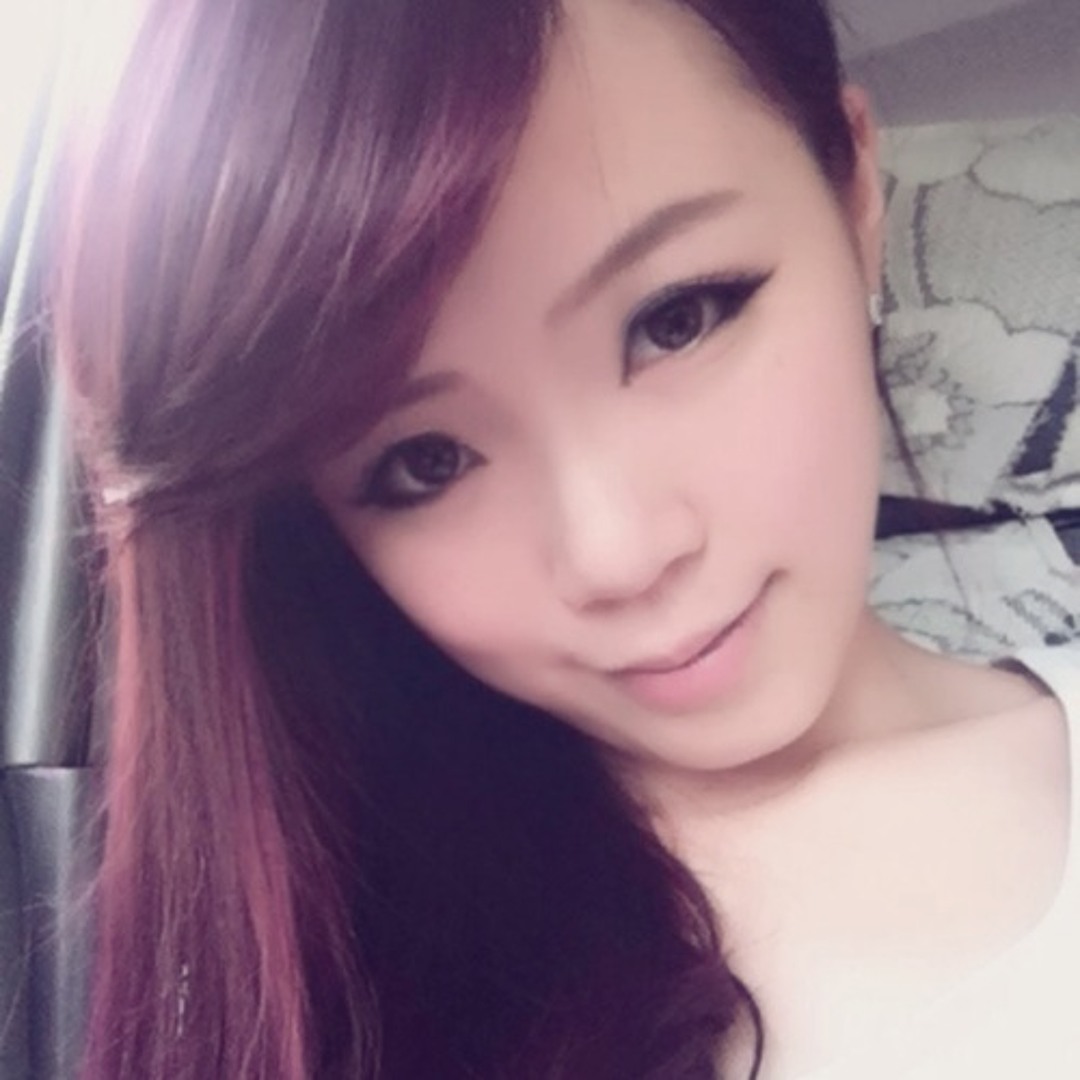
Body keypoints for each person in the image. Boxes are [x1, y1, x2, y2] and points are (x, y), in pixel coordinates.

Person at [48, 0, 1078, 1077]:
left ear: (854, 188)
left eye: (676, 319)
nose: (616, 555)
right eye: (424, 462)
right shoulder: (320, 970)